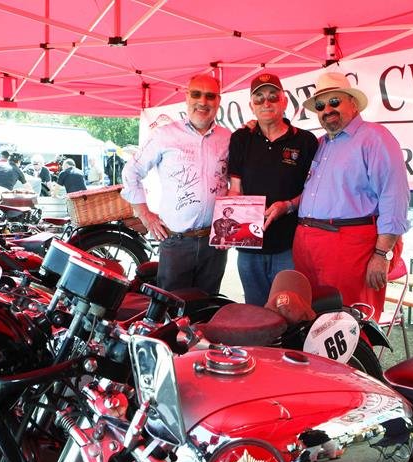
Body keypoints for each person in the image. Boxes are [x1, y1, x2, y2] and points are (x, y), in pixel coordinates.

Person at [293, 71, 410, 320]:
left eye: (335, 101)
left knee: (349, 321)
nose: (327, 110)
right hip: (307, 244)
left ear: (353, 103)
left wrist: (382, 254)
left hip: (349, 244)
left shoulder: (375, 137)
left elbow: (395, 197)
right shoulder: (321, 144)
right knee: (312, 321)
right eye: (321, 106)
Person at [121, 73, 230, 294]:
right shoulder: (165, 135)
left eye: (210, 96)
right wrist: (145, 215)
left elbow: (238, 183)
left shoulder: (228, 138)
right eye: (196, 94)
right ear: (186, 97)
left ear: (218, 101)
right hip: (176, 243)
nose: (203, 102)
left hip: (215, 243)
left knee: (207, 306)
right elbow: (131, 172)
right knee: (172, 307)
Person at [228, 73, 318, 305]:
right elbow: (235, 189)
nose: (266, 103)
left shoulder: (306, 141)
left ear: (284, 100)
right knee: (255, 312)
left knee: (290, 311)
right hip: (249, 247)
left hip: (289, 245)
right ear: (251, 106)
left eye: (272, 97)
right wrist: (227, 229)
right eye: (259, 98)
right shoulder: (240, 138)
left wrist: (287, 206)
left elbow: (314, 192)